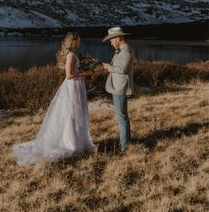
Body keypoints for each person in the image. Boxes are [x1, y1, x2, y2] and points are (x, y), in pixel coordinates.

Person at [12, 32, 95, 166]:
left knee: (75, 113)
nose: (80, 42)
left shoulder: (72, 54)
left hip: (76, 85)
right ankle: (70, 142)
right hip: (72, 86)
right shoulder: (71, 55)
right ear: (74, 41)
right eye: (79, 40)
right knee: (71, 113)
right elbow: (69, 75)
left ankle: (76, 139)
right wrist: (86, 73)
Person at [102, 27, 134, 151]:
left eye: (111, 40)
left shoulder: (126, 51)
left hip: (120, 89)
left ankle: (124, 146)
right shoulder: (121, 50)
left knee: (122, 118)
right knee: (122, 117)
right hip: (118, 88)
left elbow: (122, 69)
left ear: (118, 38)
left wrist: (109, 67)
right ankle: (126, 143)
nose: (110, 43)